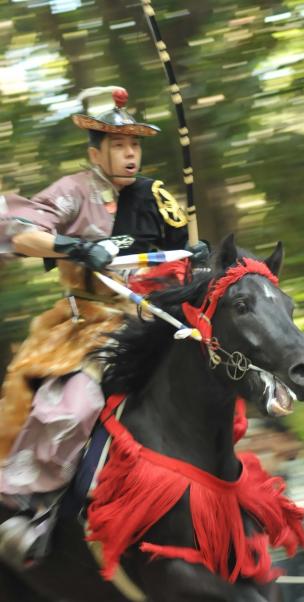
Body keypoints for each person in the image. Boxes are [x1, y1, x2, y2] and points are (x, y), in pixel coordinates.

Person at [0, 86, 208, 563]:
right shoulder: (73, 190)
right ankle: (31, 504)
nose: (130, 154)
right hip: (91, 322)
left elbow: (182, 250)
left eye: (134, 144)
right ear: (96, 152)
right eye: (118, 145)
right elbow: (18, 231)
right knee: (73, 405)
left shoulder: (154, 194)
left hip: (155, 319)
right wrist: (75, 247)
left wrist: (199, 256)